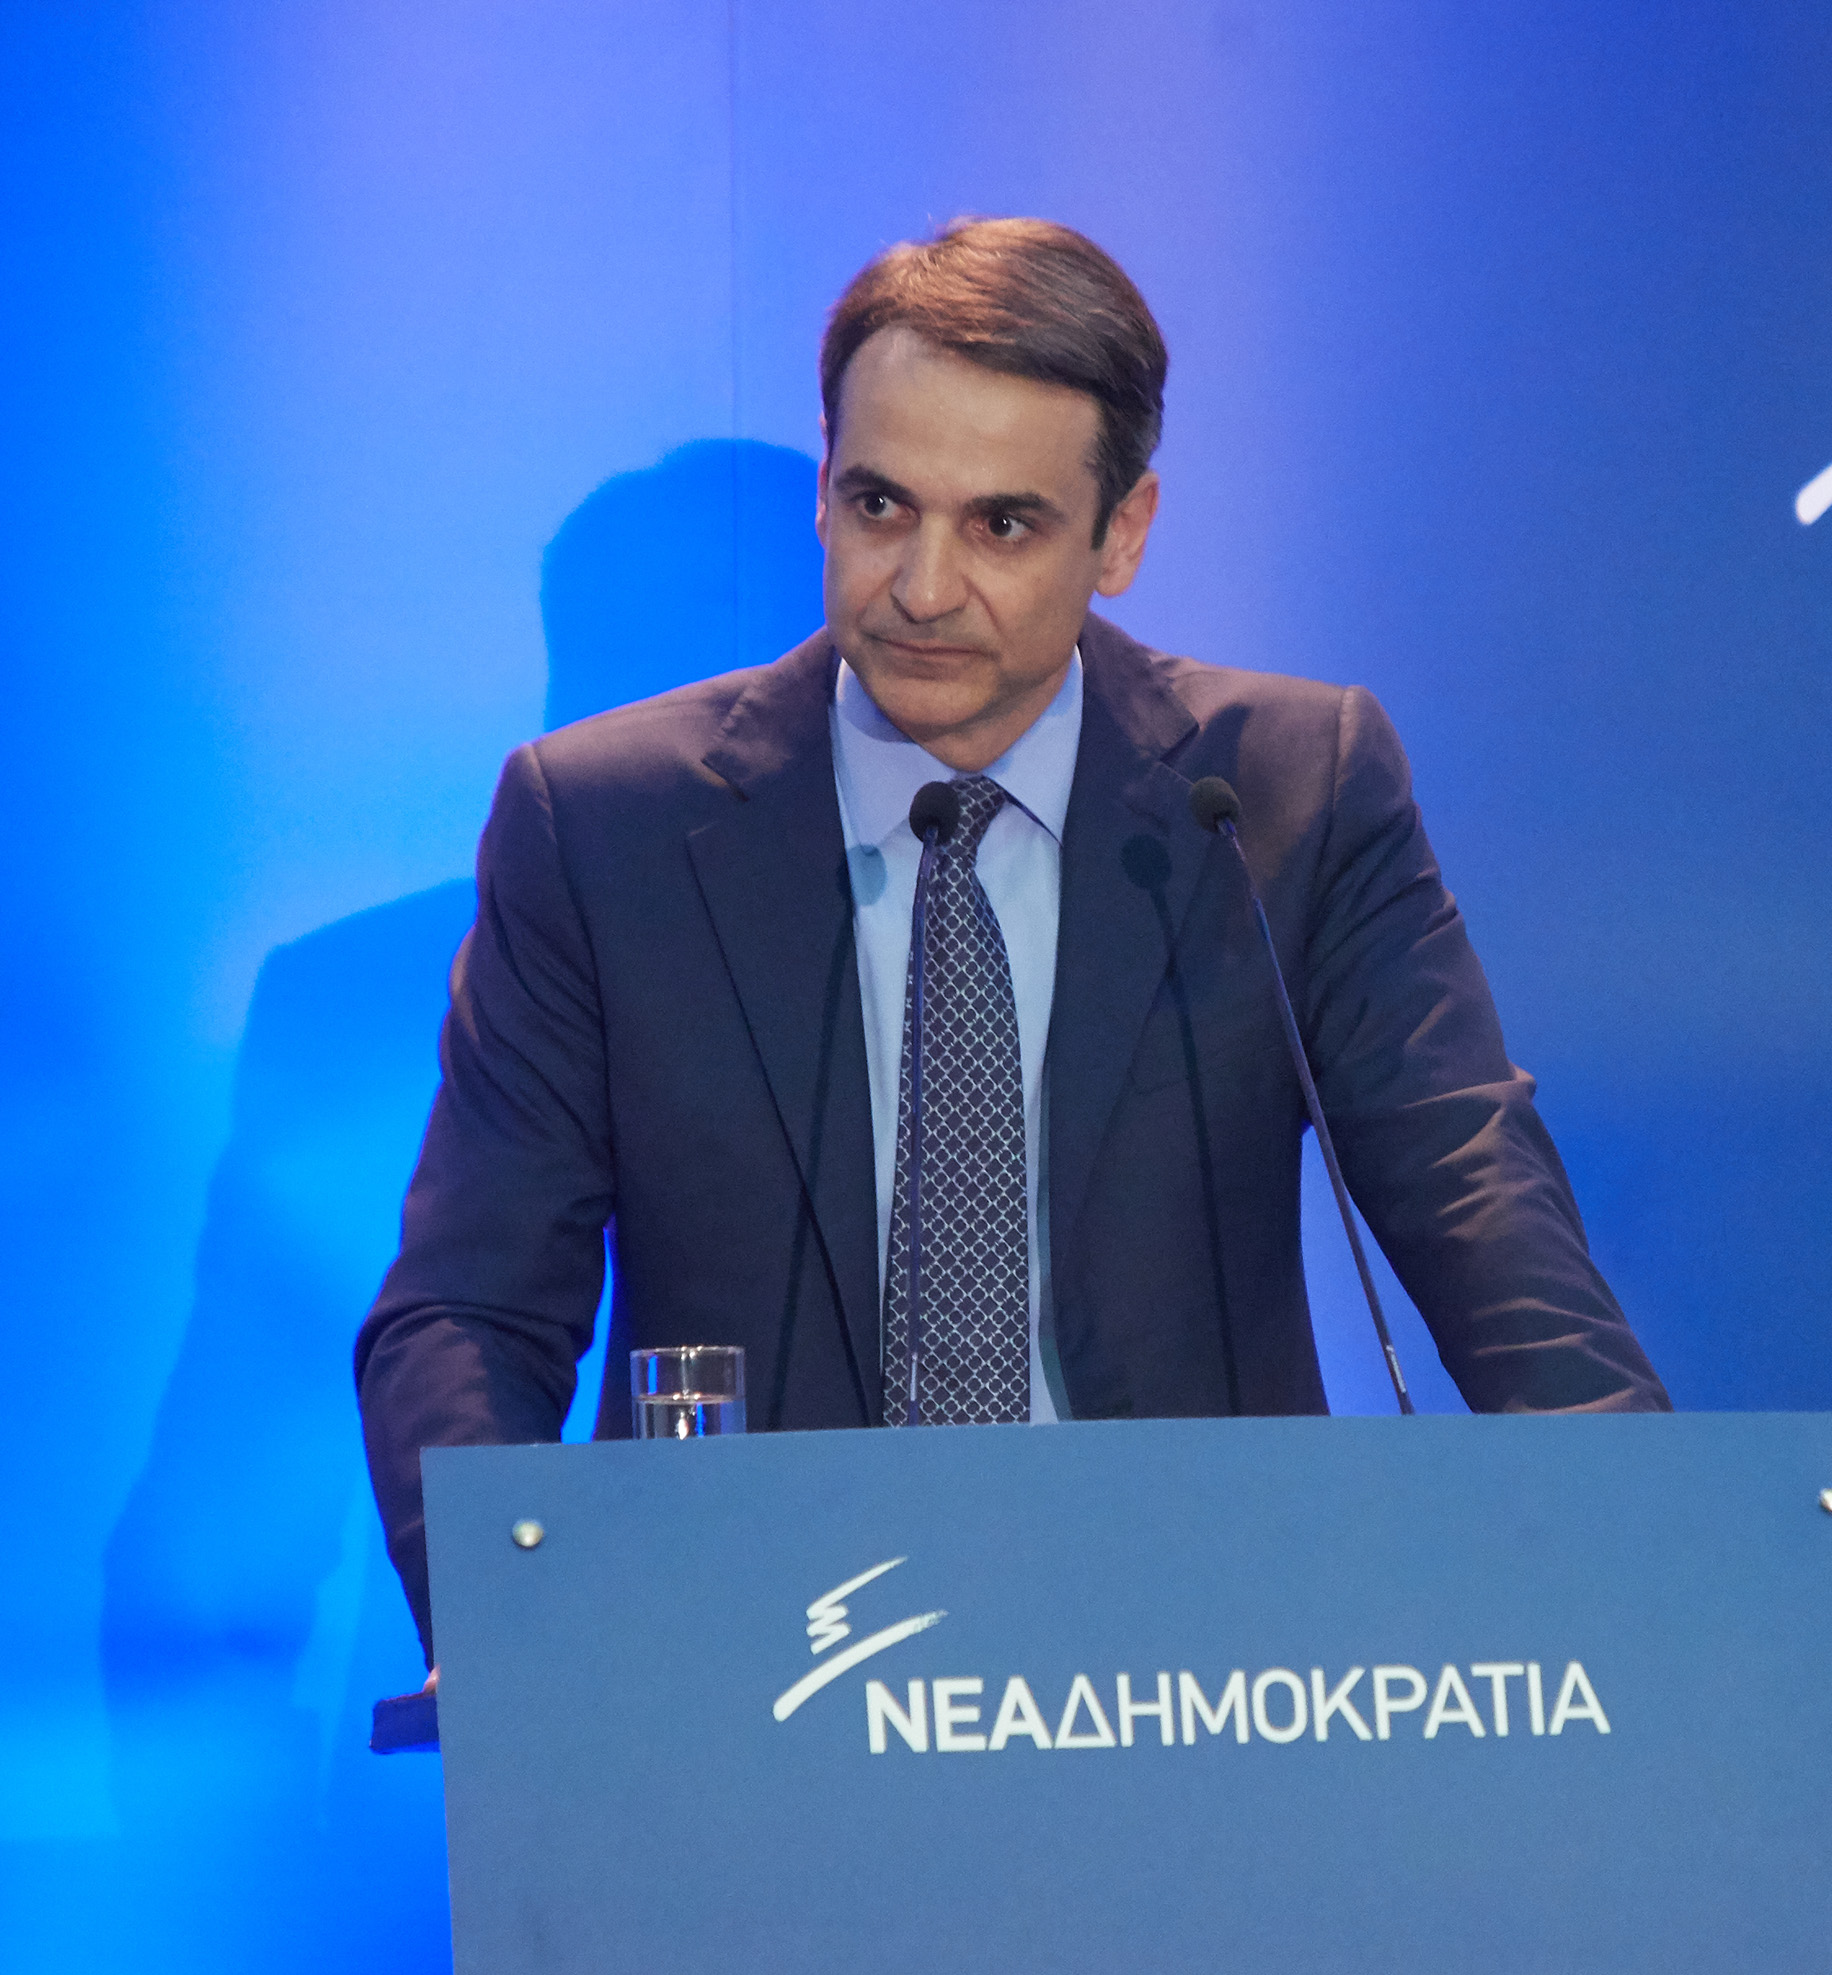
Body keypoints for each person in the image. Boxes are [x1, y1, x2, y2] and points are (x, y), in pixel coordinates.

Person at [356, 218, 1666, 1661]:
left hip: (1202, 1673)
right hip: (758, 1673)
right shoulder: (603, 829)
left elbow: (1474, 1200)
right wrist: (527, 1647)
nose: (923, 587)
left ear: (1124, 533)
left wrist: (1660, 1580)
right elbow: (468, 1310)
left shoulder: (1287, 792)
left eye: (1002, 526)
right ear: (824, 497)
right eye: (880, 505)